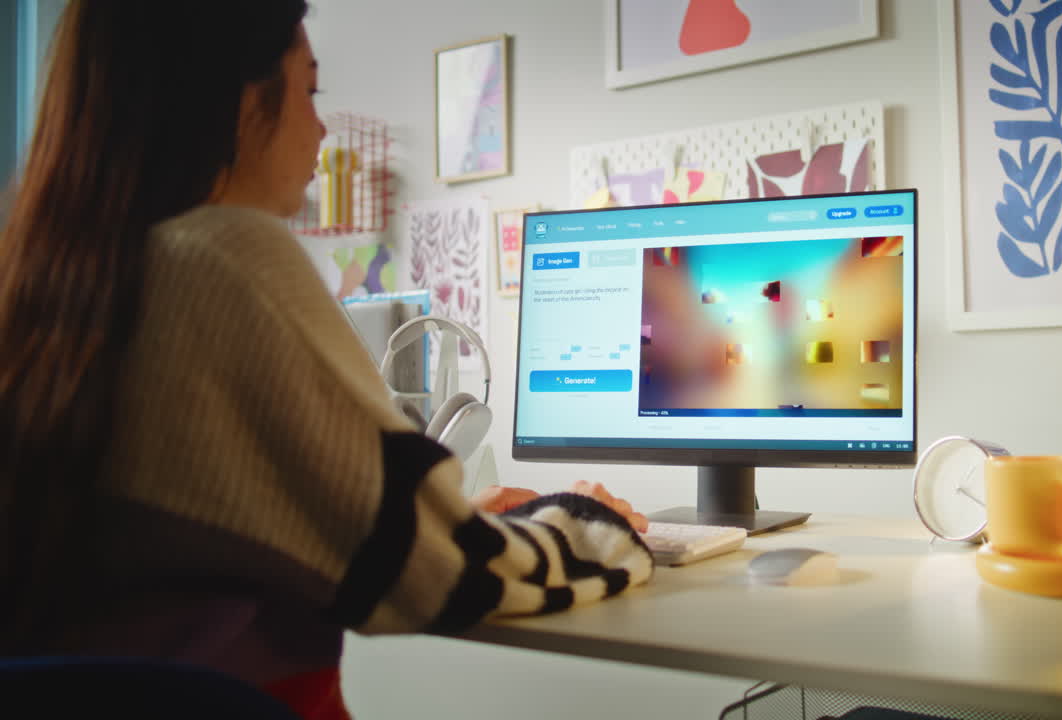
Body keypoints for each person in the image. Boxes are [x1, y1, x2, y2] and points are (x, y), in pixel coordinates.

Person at [0, 2, 652, 718]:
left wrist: (439, 515)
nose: (319, 128)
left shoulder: (45, 280)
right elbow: (449, 577)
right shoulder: (222, 257)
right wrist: (590, 518)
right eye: (310, 91)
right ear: (239, 98)